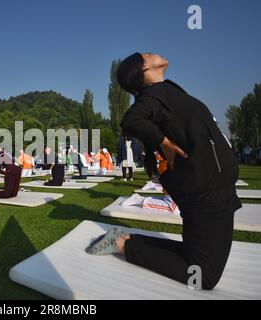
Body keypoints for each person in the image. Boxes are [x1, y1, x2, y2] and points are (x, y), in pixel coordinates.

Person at [86, 52, 241, 290]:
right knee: (203, 276)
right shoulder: (154, 95)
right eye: (147, 55)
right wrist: (163, 142)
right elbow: (131, 121)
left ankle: (128, 239)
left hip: (216, 188)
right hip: (205, 191)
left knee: (196, 258)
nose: (153, 52)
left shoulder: (168, 92)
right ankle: (122, 245)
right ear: (143, 70)